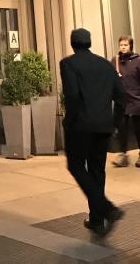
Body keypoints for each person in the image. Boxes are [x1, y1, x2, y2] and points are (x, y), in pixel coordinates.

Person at [60, 28, 126, 236]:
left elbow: (72, 95)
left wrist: (68, 121)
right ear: (89, 42)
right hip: (104, 127)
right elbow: (121, 98)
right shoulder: (106, 65)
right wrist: (115, 123)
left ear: (73, 44)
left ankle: (107, 209)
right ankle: (97, 220)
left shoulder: (68, 63)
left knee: (76, 165)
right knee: (97, 171)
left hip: (80, 126)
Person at [111, 36, 140, 167]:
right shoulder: (115, 60)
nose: (123, 47)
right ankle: (123, 155)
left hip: (136, 100)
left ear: (130, 46)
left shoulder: (137, 60)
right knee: (121, 128)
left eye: (126, 45)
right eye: (121, 44)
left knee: (138, 129)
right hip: (121, 101)